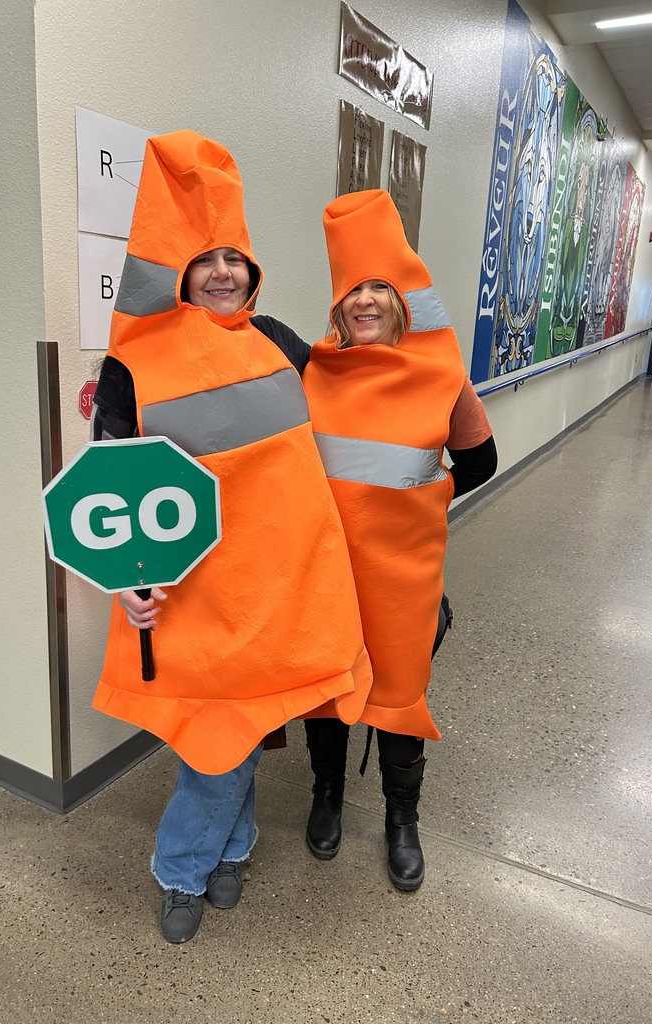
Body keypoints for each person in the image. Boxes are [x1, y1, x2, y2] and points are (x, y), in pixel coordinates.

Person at [90, 132, 371, 943]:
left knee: (244, 727)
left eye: (235, 257)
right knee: (217, 742)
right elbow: (110, 484)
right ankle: (185, 868)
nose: (222, 271)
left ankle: (229, 854)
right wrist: (129, 580)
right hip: (192, 590)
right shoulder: (131, 365)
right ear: (179, 270)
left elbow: (355, 400)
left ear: (252, 269)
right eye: (205, 257)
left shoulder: (278, 342)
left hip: (279, 584)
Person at [300, 189, 497, 892]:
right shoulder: (310, 373)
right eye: (354, 289)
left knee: (400, 694)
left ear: (402, 300)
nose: (367, 301)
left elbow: (478, 463)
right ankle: (326, 793)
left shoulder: (443, 380)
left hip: (403, 580)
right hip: (325, 576)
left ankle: (400, 819)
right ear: (337, 305)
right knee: (328, 689)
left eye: (380, 286)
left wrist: (416, 512)